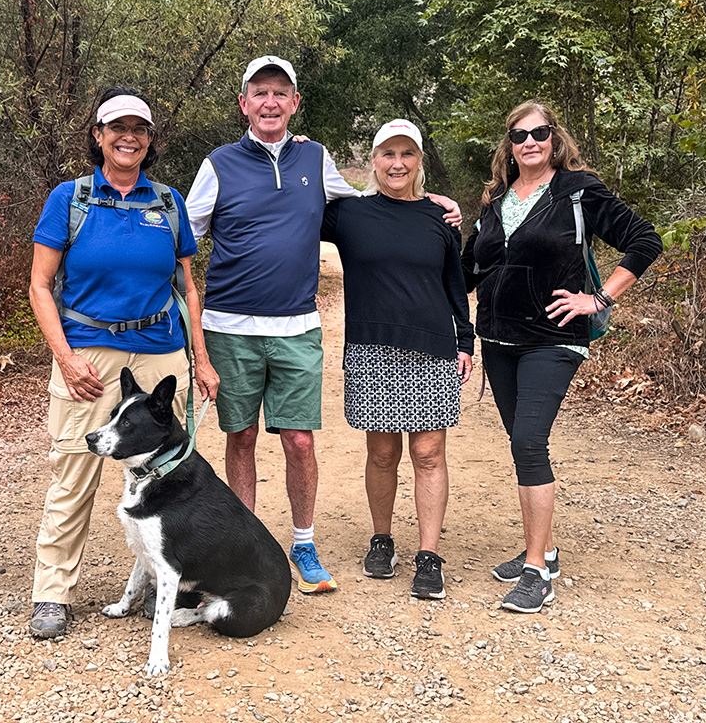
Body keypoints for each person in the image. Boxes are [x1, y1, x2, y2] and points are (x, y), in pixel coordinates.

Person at [186, 56, 460, 594]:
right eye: (259, 93)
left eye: (280, 93)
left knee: (301, 443)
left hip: (297, 327)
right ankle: (245, 544)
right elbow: (183, 238)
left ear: (295, 104)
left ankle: (303, 541)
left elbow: (365, 202)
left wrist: (428, 204)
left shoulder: (315, 157)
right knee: (239, 438)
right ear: (243, 103)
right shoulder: (218, 163)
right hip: (229, 326)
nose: (270, 102)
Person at [26, 86, 219, 639]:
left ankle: (170, 576)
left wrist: (200, 359)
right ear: (98, 135)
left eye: (138, 129)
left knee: (168, 474)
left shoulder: (166, 202)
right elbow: (40, 286)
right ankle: (53, 593)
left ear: (149, 140)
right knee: (75, 471)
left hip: (160, 352)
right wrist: (64, 358)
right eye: (117, 128)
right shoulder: (71, 198)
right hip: (88, 351)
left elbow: (187, 284)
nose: (127, 137)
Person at [462, 100, 662, 613]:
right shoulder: (496, 201)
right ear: (508, 145)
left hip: (554, 339)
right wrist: (440, 220)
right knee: (521, 442)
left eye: (540, 133)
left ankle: (535, 572)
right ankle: (544, 549)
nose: (530, 142)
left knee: (530, 440)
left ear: (555, 139)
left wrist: (598, 298)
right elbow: (467, 269)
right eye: (519, 135)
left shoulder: (578, 191)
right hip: (499, 341)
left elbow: (644, 240)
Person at [319, 119, 474, 601]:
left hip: (431, 346)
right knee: (382, 452)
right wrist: (298, 145)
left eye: (407, 154)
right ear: (374, 160)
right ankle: (381, 539)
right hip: (371, 346)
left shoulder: (440, 219)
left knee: (429, 454)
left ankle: (429, 556)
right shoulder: (349, 215)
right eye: (388, 154)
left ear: (419, 161)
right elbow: (294, 202)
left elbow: (455, 284)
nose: (397, 163)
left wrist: (465, 340)